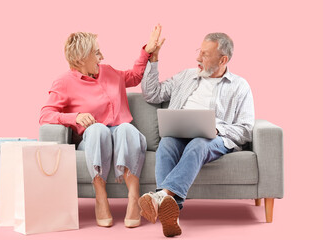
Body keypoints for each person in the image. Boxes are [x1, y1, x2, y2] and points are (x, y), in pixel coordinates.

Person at [39, 26, 162, 228]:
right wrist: (75, 117)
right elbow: (45, 114)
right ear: (80, 59)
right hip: (94, 141)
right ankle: (100, 195)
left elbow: (134, 76)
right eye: (96, 52)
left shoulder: (109, 72)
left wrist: (147, 50)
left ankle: (133, 196)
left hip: (123, 137)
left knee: (126, 128)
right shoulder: (64, 82)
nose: (101, 56)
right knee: (97, 129)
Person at [138, 26, 255, 237]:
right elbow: (152, 94)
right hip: (179, 133)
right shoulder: (186, 76)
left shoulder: (240, 86)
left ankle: (161, 196)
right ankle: (170, 213)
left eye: (205, 54)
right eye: (199, 51)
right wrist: (153, 58)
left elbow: (246, 129)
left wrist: (216, 129)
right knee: (166, 143)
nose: (198, 57)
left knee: (198, 143)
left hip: (214, 138)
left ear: (223, 60)